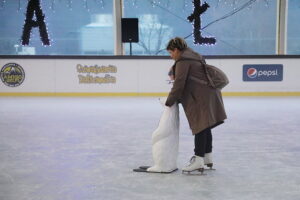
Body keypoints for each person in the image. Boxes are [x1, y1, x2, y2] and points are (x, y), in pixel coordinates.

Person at [165, 37, 227, 173]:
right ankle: (207, 157)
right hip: (209, 93)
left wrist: (169, 101)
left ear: (176, 50)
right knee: (206, 125)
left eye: (171, 53)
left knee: (200, 126)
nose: (171, 56)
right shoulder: (195, 56)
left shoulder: (183, 60)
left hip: (200, 96)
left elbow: (179, 83)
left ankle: (198, 159)